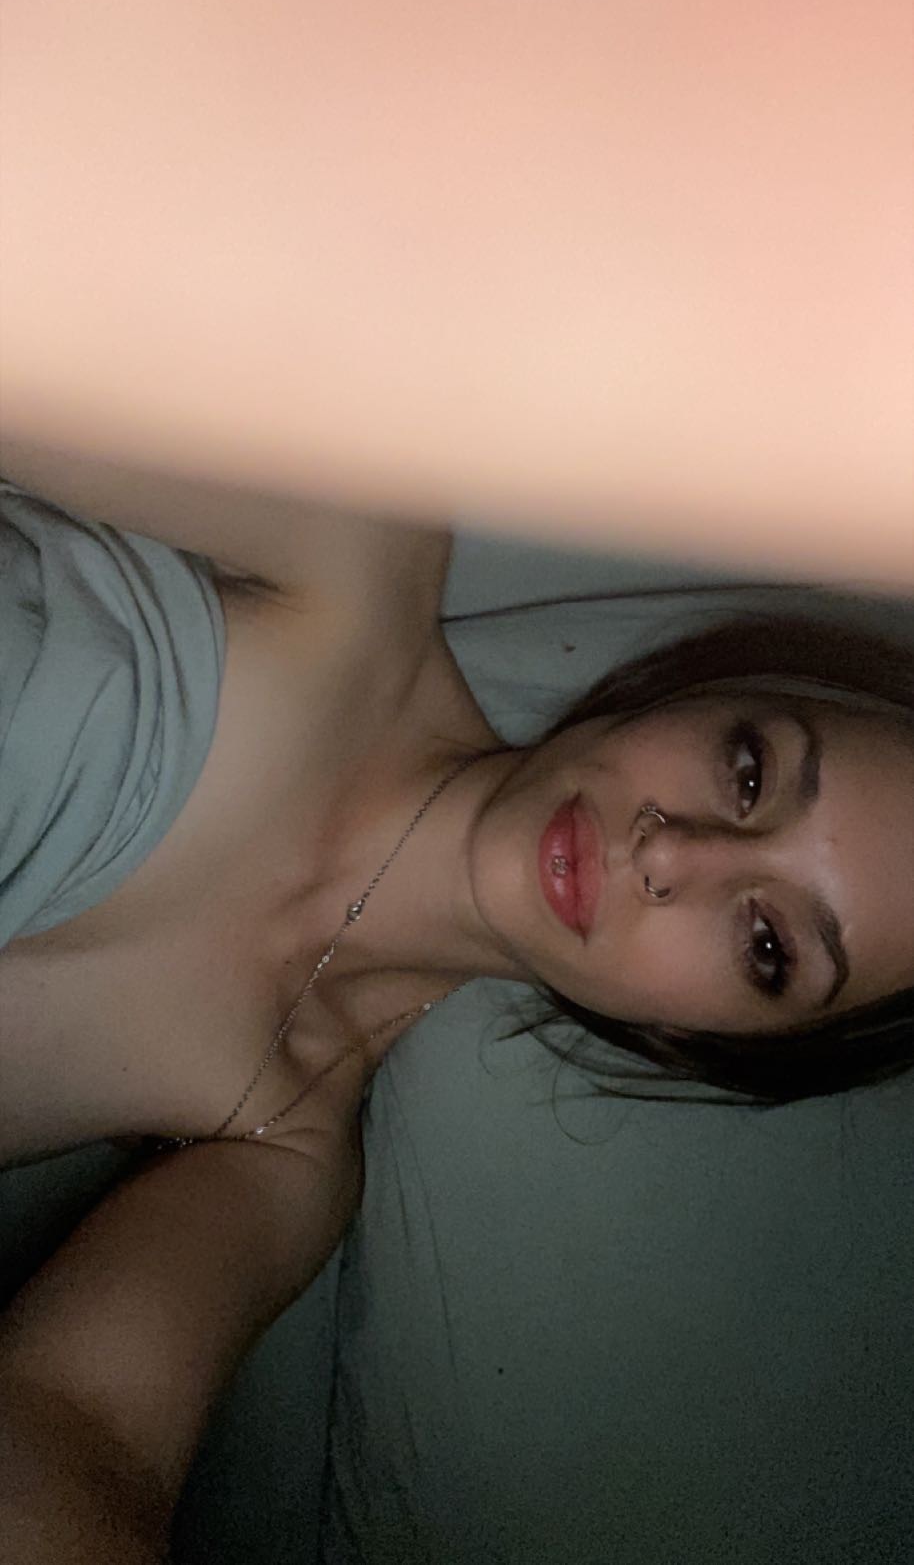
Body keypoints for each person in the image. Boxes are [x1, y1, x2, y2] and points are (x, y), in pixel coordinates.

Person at [1, 463, 911, 1559]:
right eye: (749, 772)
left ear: (708, 1041)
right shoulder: (359, 555)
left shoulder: (278, 1149)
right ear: (703, 692)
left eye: (767, 947)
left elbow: (83, 1426)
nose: (674, 852)